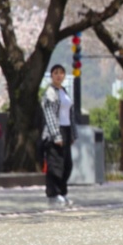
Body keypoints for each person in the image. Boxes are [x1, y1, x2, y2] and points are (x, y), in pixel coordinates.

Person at [41, 64, 76, 207]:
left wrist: (72, 134)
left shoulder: (64, 91)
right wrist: (56, 135)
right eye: (56, 73)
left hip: (66, 130)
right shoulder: (50, 92)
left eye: (62, 73)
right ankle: (53, 195)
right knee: (55, 164)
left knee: (67, 164)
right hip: (55, 131)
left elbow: (70, 114)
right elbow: (49, 115)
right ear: (51, 75)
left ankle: (62, 193)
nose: (59, 75)